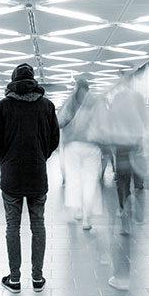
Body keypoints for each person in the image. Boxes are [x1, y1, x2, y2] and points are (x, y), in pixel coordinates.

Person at [0, 63, 59, 294]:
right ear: (33, 81)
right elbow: (54, 140)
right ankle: (38, 279)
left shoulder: (4, 106)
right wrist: (40, 155)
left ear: (13, 81)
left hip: (11, 176)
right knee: (38, 225)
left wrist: (5, 160)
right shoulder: (47, 106)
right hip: (37, 173)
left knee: (13, 226)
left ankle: (15, 279)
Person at [57, 79, 103, 230]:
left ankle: (76, 210)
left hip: (72, 145)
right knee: (90, 181)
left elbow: (60, 121)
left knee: (74, 179)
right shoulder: (96, 102)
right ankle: (86, 219)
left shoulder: (71, 101)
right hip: (92, 145)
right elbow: (104, 123)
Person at [108, 75, 148, 235]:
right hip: (136, 143)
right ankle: (136, 210)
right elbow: (144, 120)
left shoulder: (117, 99)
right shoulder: (137, 97)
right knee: (137, 180)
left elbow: (111, 122)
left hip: (121, 144)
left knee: (122, 180)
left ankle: (124, 208)